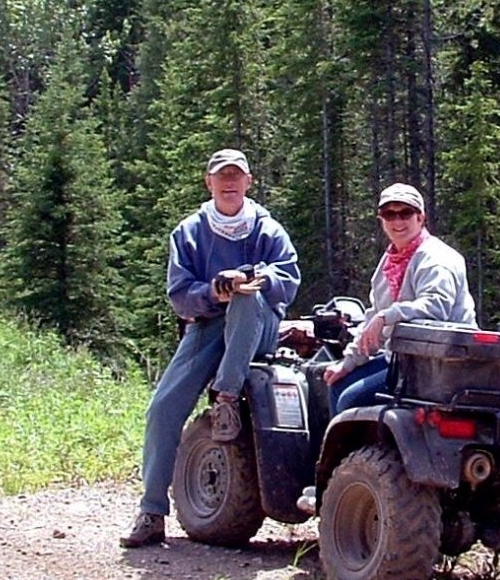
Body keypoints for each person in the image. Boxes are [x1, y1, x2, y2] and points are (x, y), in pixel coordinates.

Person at [119, 148, 300, 548]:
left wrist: (252, 278)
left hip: (257, 326)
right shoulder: (189, 232)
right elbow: (179, 296)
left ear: (249, 182)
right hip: (207, 326)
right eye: (223, 176)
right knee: (163, 408)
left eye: (237, 175)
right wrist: (214, 291)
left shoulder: (267, 230)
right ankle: (151, 511)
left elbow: (288, 277)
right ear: (210, 182)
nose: (230, 182)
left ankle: (227, 397)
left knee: (247, 298)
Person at [323, 183, 476, 414]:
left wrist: (388, 316)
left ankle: (376, 451)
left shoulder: (437, 258)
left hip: (442, 365)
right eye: (389, 214)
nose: (397, 221)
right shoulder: (389, 262)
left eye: (405, 213)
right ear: (381, 219)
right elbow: (372, 320)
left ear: (420, 217)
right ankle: (351, 450)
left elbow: (436, 307)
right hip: (404, 360)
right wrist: (348, 362)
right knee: (338, 383)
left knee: (351, 400)